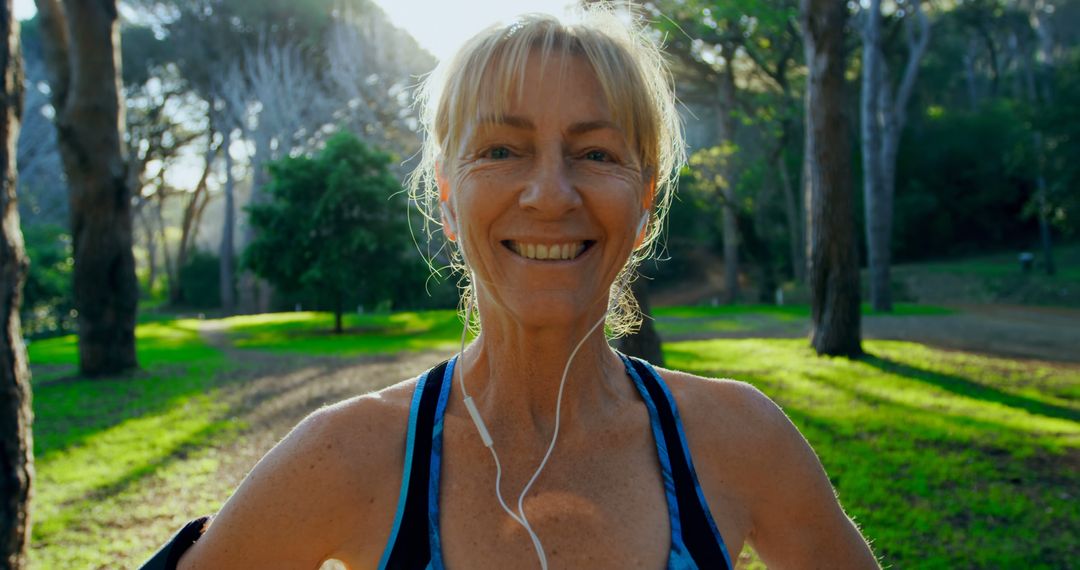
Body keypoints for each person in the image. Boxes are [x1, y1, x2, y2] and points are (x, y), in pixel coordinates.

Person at [147, 5, 880, 569]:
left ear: (646, 192)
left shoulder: (744, 440)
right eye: (501, 150)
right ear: (446, 196)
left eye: (596, 152)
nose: (550, 194)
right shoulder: (346, 455)